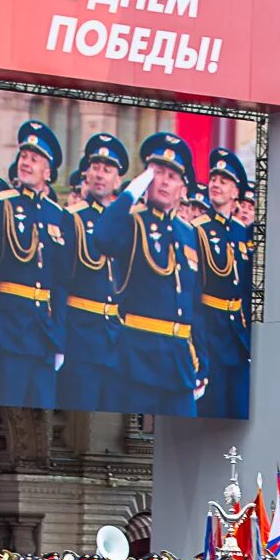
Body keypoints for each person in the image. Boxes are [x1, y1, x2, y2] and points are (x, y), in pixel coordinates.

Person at [91, 132, 205, 416]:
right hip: (137, 359)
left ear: (182, 187)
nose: (164, 181)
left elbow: (195, 304)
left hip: (179, 362)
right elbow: (101, 238)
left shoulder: (189, 234)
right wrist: (131, 192)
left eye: (172, 176)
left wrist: (202, 362)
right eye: (158, 173)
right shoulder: (132, 223)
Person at [0, 121, 69, 409]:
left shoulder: (59, 216)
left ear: (48, 172)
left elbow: (61, 282)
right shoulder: (0, 204)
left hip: (43, 334)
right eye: (23, 156)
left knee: (40, 415)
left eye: (34, 159)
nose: (26, 163)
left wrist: (58, 337)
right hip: (8, 330)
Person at [57, 133, 128, 413]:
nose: (100, 175)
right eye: (95, 167)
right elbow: (61, 282)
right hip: (82, 335)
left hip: (117, 337)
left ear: (118, 180)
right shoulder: (73, 218)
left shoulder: (127, 222)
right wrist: (60, 341)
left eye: (107, 170)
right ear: (87, 172)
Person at [194, 147, 253, 419]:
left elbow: (249, 290)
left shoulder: (242, 233)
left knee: (240, 412)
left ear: (235, 193)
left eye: (224, 180)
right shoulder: (198, 229)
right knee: (214, 415)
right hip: (210, 333)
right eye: (213, 178)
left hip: (237, 336)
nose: (215, 184)